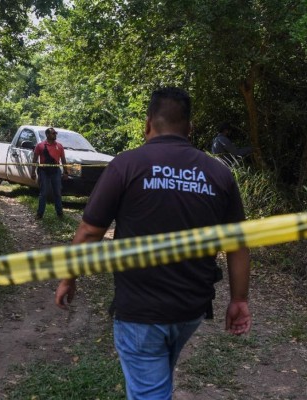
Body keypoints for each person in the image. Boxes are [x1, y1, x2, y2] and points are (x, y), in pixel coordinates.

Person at [55, 87, 251, 399]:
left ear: (147, 124)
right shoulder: (219, 174)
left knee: (150, 389)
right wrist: (239, 299)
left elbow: (90, 231)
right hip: (191, 310)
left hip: (141, 311)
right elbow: (238, 245)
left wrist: (69, 277)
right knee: (157, 378)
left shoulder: (126, 165)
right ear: (190, 128)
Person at [31, 127, 69, 219]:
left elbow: (63, 159)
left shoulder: (59, 146)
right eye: (53, 133)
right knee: (43, 193)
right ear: (47, 135)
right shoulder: (40, 146)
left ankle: (60, 214)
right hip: (43, 171)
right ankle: (39, 214)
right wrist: (33, 172)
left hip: (55, 171)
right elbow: (34, 160)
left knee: (57, 192)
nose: (55, 134)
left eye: (55, 133)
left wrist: (65, 172)